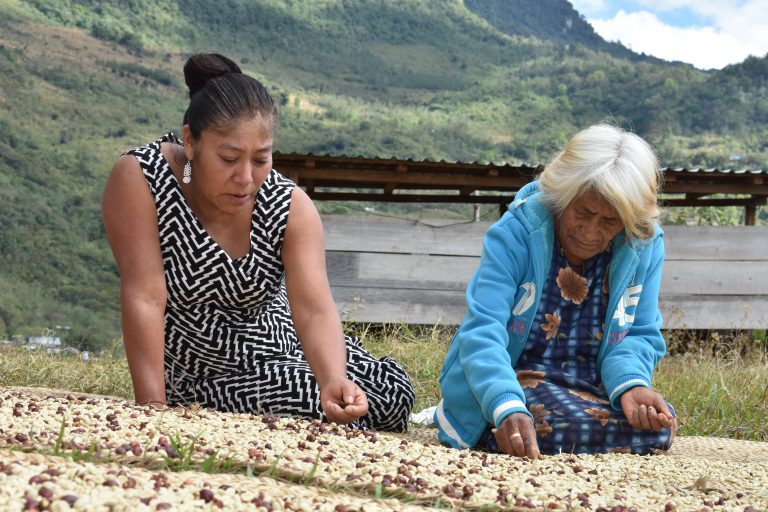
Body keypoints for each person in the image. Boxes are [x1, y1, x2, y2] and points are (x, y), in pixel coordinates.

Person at [102, 53, 414, 432]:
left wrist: (332, 378)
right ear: (191, 141)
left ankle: (329, 395)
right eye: (229, 159)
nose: (245, 178)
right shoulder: (142, 178)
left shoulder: (289, 204)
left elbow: (314, 309)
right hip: (205, 373)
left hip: (286, 345)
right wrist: (153, 410)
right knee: (309, 400)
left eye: (261, 160)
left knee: (391, 394)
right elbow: (145, 295)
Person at [434, 124, 677, 457]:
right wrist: (505, 406)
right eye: (584, 212)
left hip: (591, 386)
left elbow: (638, 333)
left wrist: (632, 385)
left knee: (657, 425)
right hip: (515, 376)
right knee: (553, 427)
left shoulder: (642, 244)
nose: (591, 233)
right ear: (563, 196)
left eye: (609, 221)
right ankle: (480, 418)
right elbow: (482, 332)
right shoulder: (517, 233)